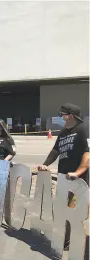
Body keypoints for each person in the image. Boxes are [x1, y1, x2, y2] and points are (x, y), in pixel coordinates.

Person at [37, 103, 89, 250]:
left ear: (70, 116)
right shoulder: (64, 132)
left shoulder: (83, 129)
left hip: (78, 181)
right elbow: (55, 151)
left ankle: (74, 241)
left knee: (72, 209)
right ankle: (65, 239)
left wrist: (79, 172)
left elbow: (87, 153)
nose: (60, 117)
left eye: (62, 114)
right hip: (64, 179)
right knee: (62, 209)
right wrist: (46, 164)